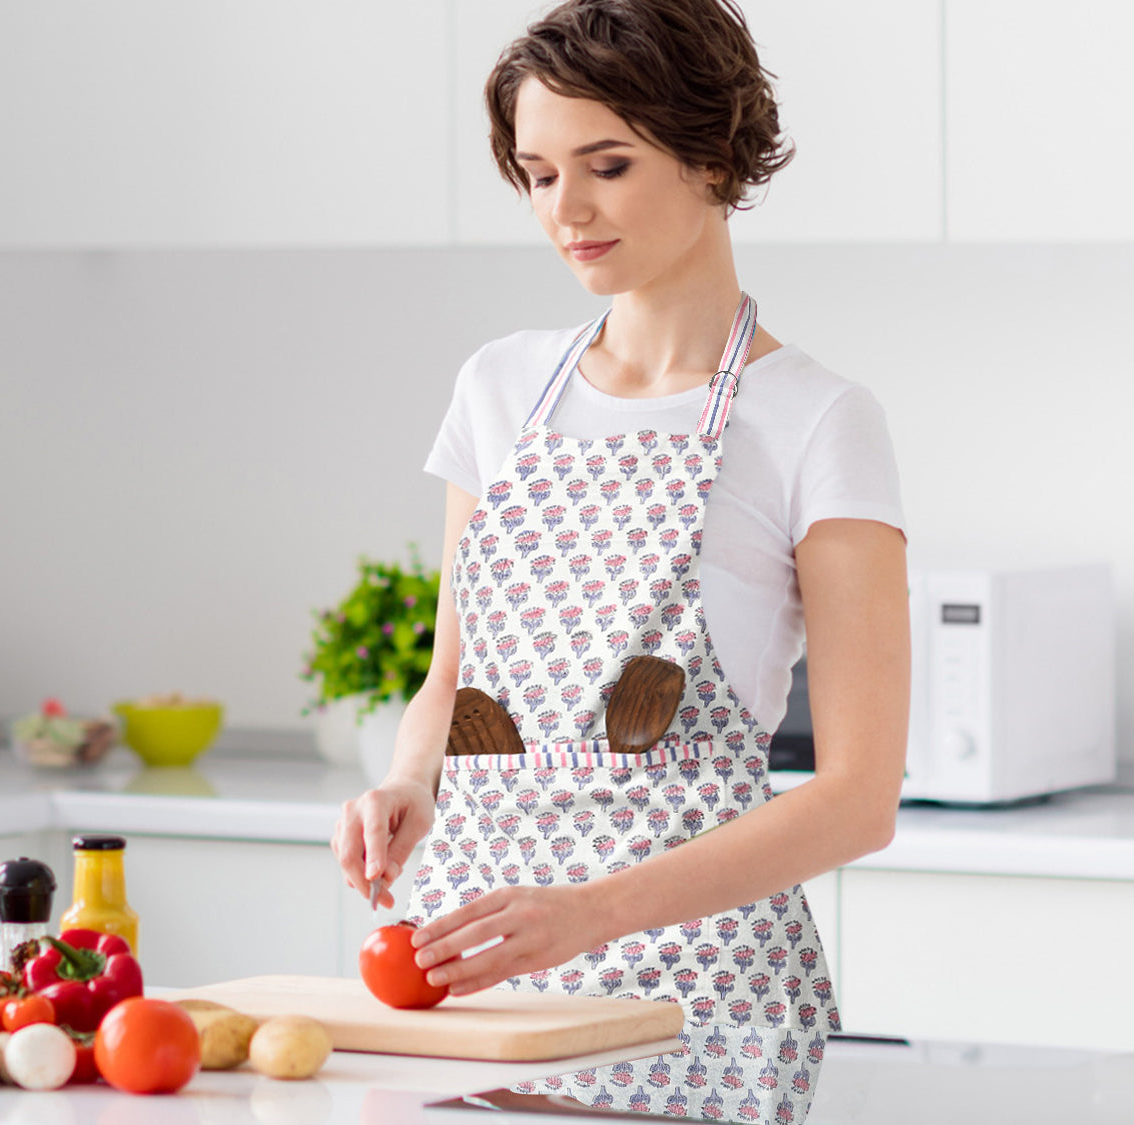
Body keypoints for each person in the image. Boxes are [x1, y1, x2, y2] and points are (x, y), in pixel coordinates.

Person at [331, 1, 909, 1120]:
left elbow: (858, 800)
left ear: (711, 153)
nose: (568, 211)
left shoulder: (818, 420)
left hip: (704, 1006)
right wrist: (408, 784)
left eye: (606, 164)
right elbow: (452, 682)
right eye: (538, 174)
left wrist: (590, 910)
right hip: (480, 986)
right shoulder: (499, 388)